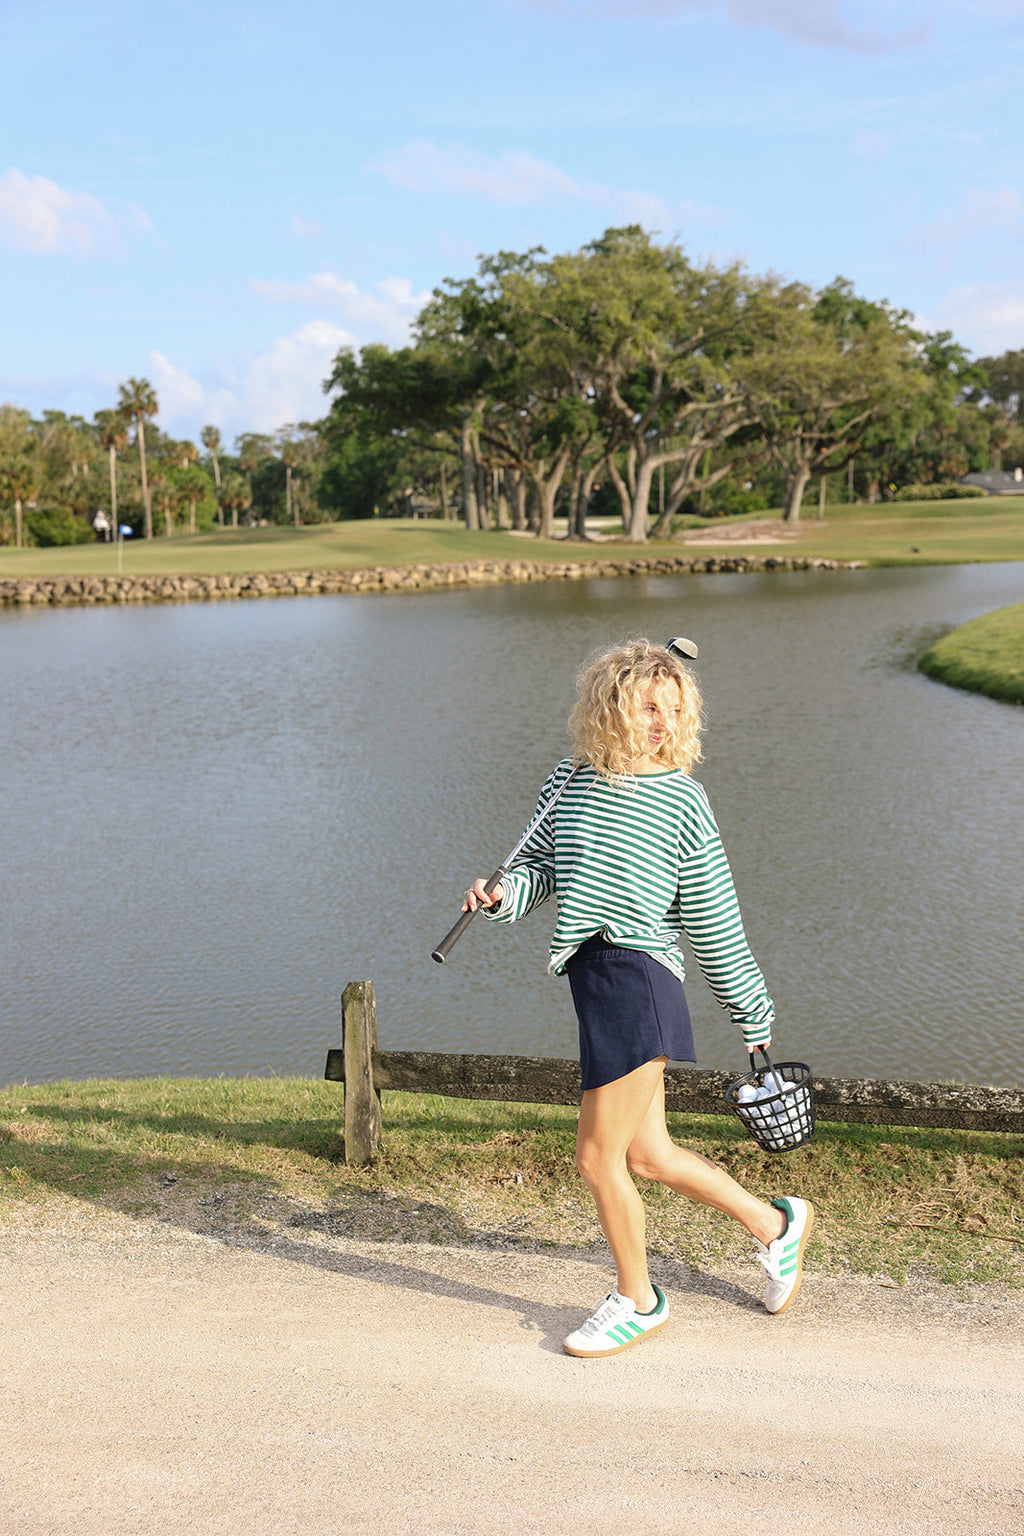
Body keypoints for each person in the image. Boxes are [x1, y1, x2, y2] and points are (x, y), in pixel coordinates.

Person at [462, 638, 813, 1358]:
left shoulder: (683, 798)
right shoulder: (568, 781)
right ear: (611, 701)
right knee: (647, 1155)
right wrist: (499, 898)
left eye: (673, 709)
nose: (660, 721)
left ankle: (637, 1299)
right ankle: (778, 1227)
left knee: (597, 1158)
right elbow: (539, 871)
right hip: (595, 981)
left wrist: (752, 1014)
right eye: (648, 706)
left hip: (639, 980)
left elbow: (714, 916)